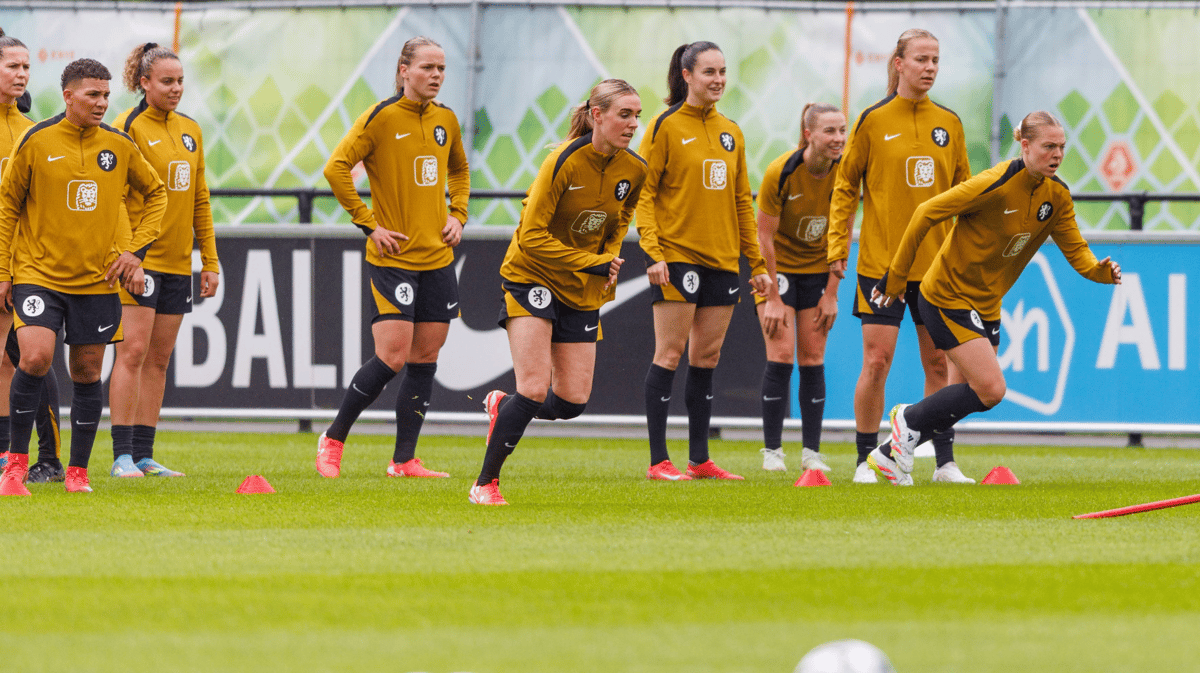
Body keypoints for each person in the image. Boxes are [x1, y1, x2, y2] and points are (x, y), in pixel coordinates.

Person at [867, 111, 1121, 482]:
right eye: (1049, 146)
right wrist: (895, 278)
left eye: (1062, 147)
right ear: (1026, 145)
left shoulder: (1057, 196)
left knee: (960, 391)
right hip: (945, 296)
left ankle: (923, 461)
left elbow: (1076, 249)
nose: (1057, 154)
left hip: (986, 305)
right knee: (991, 388)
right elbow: (925, 213)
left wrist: (1098, 271)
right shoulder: (995, 183)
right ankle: (907, 420)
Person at [471, 79, 647, 505]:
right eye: (625, 114)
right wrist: (593, 262)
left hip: (579, 287)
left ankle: (502, 407)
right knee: (533, 387)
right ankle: (485, 485)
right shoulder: (562, 161)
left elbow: (619, 221)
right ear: (597, 115)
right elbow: (531, 237)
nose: (633, 124)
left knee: (572, 402)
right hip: (531, 275)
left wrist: (606, 260)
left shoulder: (635, 169)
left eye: (637, 115)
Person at [0, 58, 166, 496]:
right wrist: (4, 271)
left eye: (107, 95)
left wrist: (134, 252)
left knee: (88, 372)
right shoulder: (36, 140)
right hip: (38, 273)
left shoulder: (119, 144)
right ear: (69, 96)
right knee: (33, 357)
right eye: (93, 95)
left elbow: (156, 194)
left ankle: (77, 472)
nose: (102, 103)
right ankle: (14, 469)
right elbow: (8, 206)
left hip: (96, 280)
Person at [317, 36, 468, 479]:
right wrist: (369, 223)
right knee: (392, 356)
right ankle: (333, 438)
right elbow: (336, 167)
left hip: (437, 259)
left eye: (441, 68)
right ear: (404, 71)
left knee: (425, 358)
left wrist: (458, 213)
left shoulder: (446, 120)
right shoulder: (381, 117)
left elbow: (458, 168)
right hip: (394, 258)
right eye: (427, 68)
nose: (436, 76)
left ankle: (404, 460)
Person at [827, 28, 973, 485]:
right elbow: (846, 185)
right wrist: (837, 247)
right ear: (899, 63)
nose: (929, 68)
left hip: (937, 270)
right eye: (921, 59)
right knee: (876, 362)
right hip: (880, 266)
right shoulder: (872, 120)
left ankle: (943, 462)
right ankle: (865, 460)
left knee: (938, 365)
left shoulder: (949, 122)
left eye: (936, 60)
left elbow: (968, 194)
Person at [637, 41, 770, 482]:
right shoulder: (664, 126)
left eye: (723, 71)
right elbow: (645, 193)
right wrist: (654, 253)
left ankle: (699, 460)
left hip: (722, 261)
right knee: (670, 353)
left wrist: (758, 265)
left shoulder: (732, 130)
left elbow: (740, 202)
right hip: (677, 257)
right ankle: (659, 461)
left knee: (706, 357)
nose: (718, 80)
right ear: (687, 75)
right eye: (709, 71)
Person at [108, 42, 220, 478]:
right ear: (144, 82)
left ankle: (142, 454)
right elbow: (115, 198)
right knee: (132, 353)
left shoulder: (190, 129)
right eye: (167, 81)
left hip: (177, 262)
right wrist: (129, 255)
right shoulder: (126, 126)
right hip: (140, 262)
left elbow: (200, 199)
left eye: (180, 81)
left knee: (159, 358)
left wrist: (208, 260)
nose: (176, 89)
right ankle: (120, 456)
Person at [755, 103, 846, 473]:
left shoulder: (845, 173)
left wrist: (831, 294)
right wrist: (773, 298)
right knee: (780, 354)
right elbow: (764, 238)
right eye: (830, 131)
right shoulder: (781, 172)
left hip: (817, 272)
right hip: (778, 271)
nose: (838, 138)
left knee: (813, 358)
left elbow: (841, 235)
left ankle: (811, 453)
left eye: (842, 130)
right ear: (809, 134)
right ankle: (772, 452)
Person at [0, 29, 63, 484]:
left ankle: (23, 455)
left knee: (20, 358)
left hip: (17, 262)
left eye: (26, 67)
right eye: (12, 66)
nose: (22, 75)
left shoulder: (31, 133)